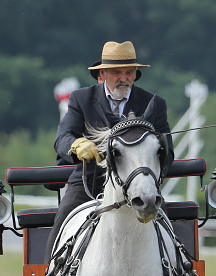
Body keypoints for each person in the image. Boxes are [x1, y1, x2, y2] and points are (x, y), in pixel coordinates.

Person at [44, 41, 174, 262]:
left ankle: (177, 274)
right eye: (116, 72)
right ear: (101, 75)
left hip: (139, 184)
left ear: (135, 75)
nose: (124, 78)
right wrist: (77, 145)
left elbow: (168, 152)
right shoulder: (81, 99)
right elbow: (62, 138)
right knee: (63, 221)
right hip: (89, 183)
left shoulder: (154, 104)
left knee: (168, 230)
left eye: (129, 72)